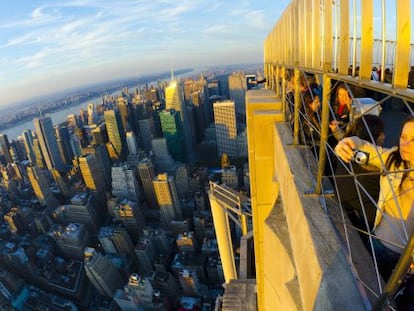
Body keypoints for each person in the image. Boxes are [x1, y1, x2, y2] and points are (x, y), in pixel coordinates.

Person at [334, 116, 414, 281]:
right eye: (403, 137)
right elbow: (365, 147)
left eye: (413, 140)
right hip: (376, 240)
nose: (405, 144)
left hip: (403, 259)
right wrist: (347, 143)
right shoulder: (393, 158)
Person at [334, 115, 385, 233]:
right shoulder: (372, 167)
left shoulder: (346, 152)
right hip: (366, 218)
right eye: (381, 133)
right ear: (373, 136)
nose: (383, 136)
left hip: (345, 203)